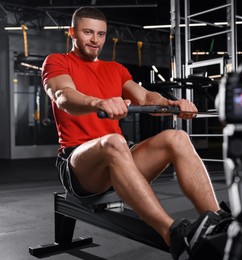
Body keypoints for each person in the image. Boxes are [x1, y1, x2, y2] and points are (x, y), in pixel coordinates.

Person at [41, 6, 229, 260]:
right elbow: (64, 96)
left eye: (101, 34)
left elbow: (144, 97)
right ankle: (172, 232)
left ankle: (218, 224)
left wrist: (172, 104)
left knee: (177, 138)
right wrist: (98, 102)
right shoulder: (57, 61)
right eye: (87, 32)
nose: (95, 40)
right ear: (72, 32)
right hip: (78, 165)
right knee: (114, 141)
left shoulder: (115, 69)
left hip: (119, 155)